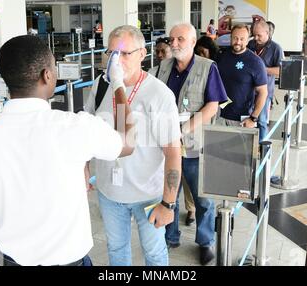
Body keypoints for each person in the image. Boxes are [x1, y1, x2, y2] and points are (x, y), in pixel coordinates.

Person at [0, 35, 135, 266]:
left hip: (8, 261)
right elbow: (128, 141)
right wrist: (118, 84)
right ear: (46, 75)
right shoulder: (76, 127)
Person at [85, 25, 182, 266]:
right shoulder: (101, 85)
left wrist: (168, 204)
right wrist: (84, 165)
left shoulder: (159, 94)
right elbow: (86, 127)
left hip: (148, 194)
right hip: (110, 192)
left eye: (124, 53)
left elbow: (173, 152)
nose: (116, 60)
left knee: (154, 253)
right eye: (111, 53)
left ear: (142, 53)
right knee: (117, 250)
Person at [156, 23, 228, 265]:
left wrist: (183, 129)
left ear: (193, 42)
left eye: (180, 39)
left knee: (203, 199)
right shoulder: (163, 67)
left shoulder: (208, 67)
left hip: (195, 144)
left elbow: (212, 105)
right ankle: (171, 235)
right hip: (167, 146)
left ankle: (205, 242)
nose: (173, 43)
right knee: (169, 193)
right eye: (171, 39)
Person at [149, 37, 197, 227]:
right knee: (169, 185)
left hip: (187, 135)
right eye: (157, 52)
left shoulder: (191, 71)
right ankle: (171, 232)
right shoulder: (153, 74)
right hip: (163, 138)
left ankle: (192, 210)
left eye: (164, 52)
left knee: (189, 181)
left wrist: (184, 129)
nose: (160, 55)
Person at [217, 24, 268, 135]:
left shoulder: (255, 62)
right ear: (230, 38)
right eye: (235, 38)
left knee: (240, 151)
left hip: (242, 119)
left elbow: (263, 92)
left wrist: (253, 118)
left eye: (242, 39)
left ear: (247, 40)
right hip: (219, 115)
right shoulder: (222, 57)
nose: (238, 42)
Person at [248, 20, 284, 141]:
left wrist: (262, 69)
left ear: (267, 33)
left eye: (259, 35)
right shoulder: (250, 45)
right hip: (247, 91)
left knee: (262, 121)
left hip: (265, 92)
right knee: (246, 119)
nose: (256, 38)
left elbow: (281, 70)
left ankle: (263, 149)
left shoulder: (276, 49)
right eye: (254, 35)